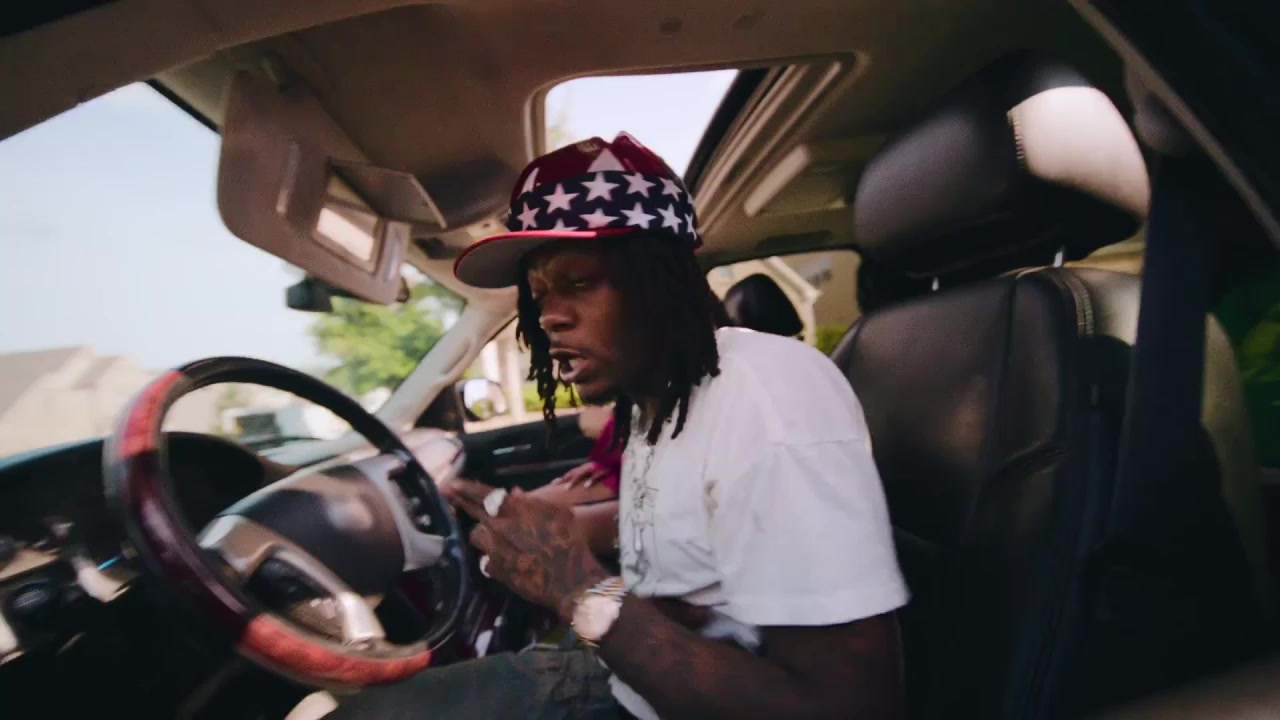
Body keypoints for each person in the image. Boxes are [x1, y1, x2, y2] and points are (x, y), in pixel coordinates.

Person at [329, 133, 908, 719]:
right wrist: (565, 536)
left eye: (578, 283)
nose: (550, 317)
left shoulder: (767, 396)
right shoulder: (657, 396)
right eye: (539, 294)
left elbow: (848, 709)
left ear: (662, 277)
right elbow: (692, 519)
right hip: (626, 675)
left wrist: (577, 589)